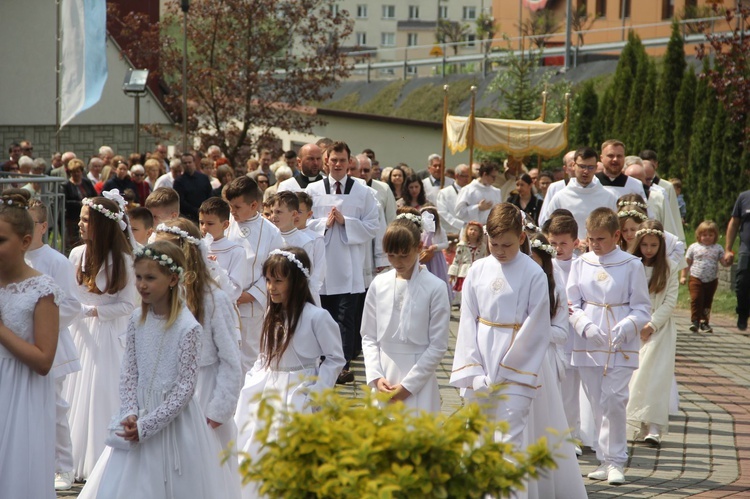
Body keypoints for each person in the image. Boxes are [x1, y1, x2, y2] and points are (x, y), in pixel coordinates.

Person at [78, 241, 232, 499]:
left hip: (173, 425)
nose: (142, 284)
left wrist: (147, 425)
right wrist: (129, 411)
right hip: (136, 415)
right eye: (138, 277)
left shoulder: (187, 328)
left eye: (150, 278)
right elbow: (129, 371)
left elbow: (184, 389)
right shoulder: (137, 319)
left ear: (173, 279)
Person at [235, 248, 345, 496]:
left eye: (278, 281)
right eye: (268, 280)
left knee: (291, 451)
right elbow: (265, 355)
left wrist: (317, 389)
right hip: (267, 389)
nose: (271, 287)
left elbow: (335, 357)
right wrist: (253, 379)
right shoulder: (271, 313)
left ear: (295, 281)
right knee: (257, 447)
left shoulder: (317, 316)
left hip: (299, 390)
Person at [450, 203, 551, 451]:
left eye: (508, 245)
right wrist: (473, 372)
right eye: (494, 244)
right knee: (477, 441)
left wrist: (506, 370)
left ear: (522, 237)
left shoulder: (533, 273)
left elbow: (536, 327)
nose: (500, 251)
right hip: (480, 365)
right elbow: (467, 321)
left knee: (508, 443)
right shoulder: (477, 270)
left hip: (517, 369)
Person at [154, 222, 243, 495]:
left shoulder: (213, 298)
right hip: (163, 392)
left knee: (202, 472)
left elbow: (231, 359)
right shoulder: (158, 295)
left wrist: (218, 410)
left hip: (203, 393)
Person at [567, 207, 651, 485]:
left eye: (600, 239)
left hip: (619, 343)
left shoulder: (631, 264)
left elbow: (641, 308)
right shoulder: (581, 263)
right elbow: (571, 303)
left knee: (615, 399)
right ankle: (604, 458)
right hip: (589, 342)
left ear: (617, 235)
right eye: (591, 239)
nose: (594, 244)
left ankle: (617, 460)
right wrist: (584, 325)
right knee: (596, 401)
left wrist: (628, 326)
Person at [63, 195, 138, 481]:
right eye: (81, 218)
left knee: (98, 392)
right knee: (72, 391)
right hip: (78, 332)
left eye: (85, 220)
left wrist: (92, 311)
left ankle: (98, 457)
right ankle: (68, 459)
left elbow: (128, 305)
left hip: (105, 335)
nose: (80, 224)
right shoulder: (76, 254)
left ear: (101, 226)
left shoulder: (124, 261)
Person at [0, 194, 62, 499]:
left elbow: (44, 360)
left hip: (19, 392)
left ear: (25, 241)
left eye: (1, 240)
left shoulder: (41, 290)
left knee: (14, 469)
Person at [305, 141, 379, 384]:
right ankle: (322, 361)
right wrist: (323, 223)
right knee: (322, 315)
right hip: (322, 265)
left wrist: (346, 221)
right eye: (333, 160)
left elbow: (372, 226)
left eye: (342, 160)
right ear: (327, 161)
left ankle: (342, 366)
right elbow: (301, 223)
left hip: (349, 265)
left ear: (350, 163)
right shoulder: (312, 190)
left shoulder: (362, 192)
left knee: (345, 320)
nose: (337, 164)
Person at [360, 215, 450, 413]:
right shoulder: (379, 284)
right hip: (383, 373)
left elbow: (438, 344)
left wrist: (409, 386)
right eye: (391, 255)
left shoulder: (435, 287)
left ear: (419, 247)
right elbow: (368, 335)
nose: (397, 262)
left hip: (419, 376)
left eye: (404, 255)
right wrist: (375, 376)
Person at [26, 201, 83, 491]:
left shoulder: (56, 262)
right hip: (18, 348)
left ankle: (64, 467)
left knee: (56, 409)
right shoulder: (11, 257)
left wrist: (42, 325)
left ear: (43, 227)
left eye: (30, 223)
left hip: (50, 345)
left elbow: (73, 304)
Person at [526, 233, 588, 499]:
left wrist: (532, 332)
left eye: (538, 263)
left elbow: (561, 332)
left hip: (543, 360)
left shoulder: (555, 289)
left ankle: (545, 479)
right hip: (515, 356)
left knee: (544, 417)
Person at [627, 220, 679, 447]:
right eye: (645, 244)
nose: (648, 249)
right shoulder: (629, 265)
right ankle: (636, 422)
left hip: (659, 329)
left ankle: (655, 427)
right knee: (635, 376)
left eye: (654, 245)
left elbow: (669, 302)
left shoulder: (669, 268)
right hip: (634, 326)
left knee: (656, 376)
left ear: (661, 245)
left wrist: (652, 325)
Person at [225, 176, 283, 371]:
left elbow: (274, 269)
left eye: (237, 207)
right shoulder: (224, 224)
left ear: (254, 205)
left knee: (250, 359)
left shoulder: (271, 232)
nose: (232, 212)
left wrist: (251, 295)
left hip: (252, 306)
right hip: (224, 303)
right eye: (230, 206)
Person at [546, 214, 583, 455]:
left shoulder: (582, 265)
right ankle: (551, 435)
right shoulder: (544, 265)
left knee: (572, 388)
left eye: (563, 243)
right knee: (553, 387)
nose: (558, 249)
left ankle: (573, 435)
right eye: (553, 243)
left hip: (576, 333)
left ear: (575, 243)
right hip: (553, 332)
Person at [539, 147, 618, 243]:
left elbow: (615, 229)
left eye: (590, 167)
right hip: (567, 253)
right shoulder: (560, 197)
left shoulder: (608, 196)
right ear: (573, 165)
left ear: (596, 168)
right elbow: (547, 227)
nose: (586, 171)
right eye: (582, 166)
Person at [270, 191, 320, 304]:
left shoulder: (305, 241)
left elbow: (309, 275)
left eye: (278, 212)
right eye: (272, 212)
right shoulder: (270, 237)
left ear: (294, 214)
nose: (273, 216)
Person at [681, 221, 729, 333]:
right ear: (699, 236)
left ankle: (704, 322)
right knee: (696, 298)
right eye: (704, 235)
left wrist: (728, 259)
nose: (707, 237)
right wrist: (683, 276)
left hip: (711, 280)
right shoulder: (694, 247)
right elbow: (687, 262)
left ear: (715, 236)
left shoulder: (718, 248)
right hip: (696, 277)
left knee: (707, 301)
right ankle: (695, 321)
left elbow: (724, 263)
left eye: (710, 235)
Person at [199, 197, 247, 303]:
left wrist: (214, 268)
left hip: (222, 309)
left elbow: (234, 292)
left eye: (210, 223)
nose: (204, 228)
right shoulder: (196, 247)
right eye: (201, 223)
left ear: (225, 225)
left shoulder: (236, 251)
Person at [724, 190, 750, 330]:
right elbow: (734, 223)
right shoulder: (744, 197)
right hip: (747, 250)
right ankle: (743, 312)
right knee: (742, 283)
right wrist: (728, 249)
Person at [62, 158, 98, 251]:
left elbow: (95, 196)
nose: (76, 174)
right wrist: (80, 203)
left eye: (78, 171)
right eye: (74, 172)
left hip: (89, 216)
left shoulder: (87, 182)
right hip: (72, 218)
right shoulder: (66, 185)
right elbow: (65, 202)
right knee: (73, 242)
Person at [454, 161, 504, 225]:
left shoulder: (496, 191)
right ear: (484, 174)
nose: (495, 179)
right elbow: (459, 212)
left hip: (490, 230)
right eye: (493, 177)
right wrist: (478, 208)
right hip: (471, 230)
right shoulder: (468, 190)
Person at [418, 206, 452, 300]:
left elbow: (445, 244)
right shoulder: (421, 230)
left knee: (438, 276)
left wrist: (435, 246)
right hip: (423, 257)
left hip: (436, 259)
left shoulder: (440, 230)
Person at [448, 220, 486, 293]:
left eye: (475, 230)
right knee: (464, 290)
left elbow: (484, 259)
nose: (473, 232)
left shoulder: (482, 247)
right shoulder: (462, 245)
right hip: (464, 271)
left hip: (477, 271)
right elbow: (456, 260)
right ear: (467, 231)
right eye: (471, 229)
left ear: (480, 233)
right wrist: (453, 274)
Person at [174, 152, 213, 222]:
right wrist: (196, 211)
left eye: (190, 162)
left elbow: (210, 195)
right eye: (185, 163)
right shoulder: (178, 182)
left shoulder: (203, 178)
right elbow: (181, 201)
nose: (188, 165)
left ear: (194, 162)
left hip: (205, 215)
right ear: (182, 165)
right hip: (187, 218)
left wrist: (206, 209)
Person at [437, 163, 471, 237]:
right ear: (457, 176)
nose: (467, 179)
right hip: (450, 232)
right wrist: (461, 224)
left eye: (469, 176)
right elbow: (443, 213)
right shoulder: (444, 193)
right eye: (464, 176)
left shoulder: (471, 192)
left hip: (469, 232)